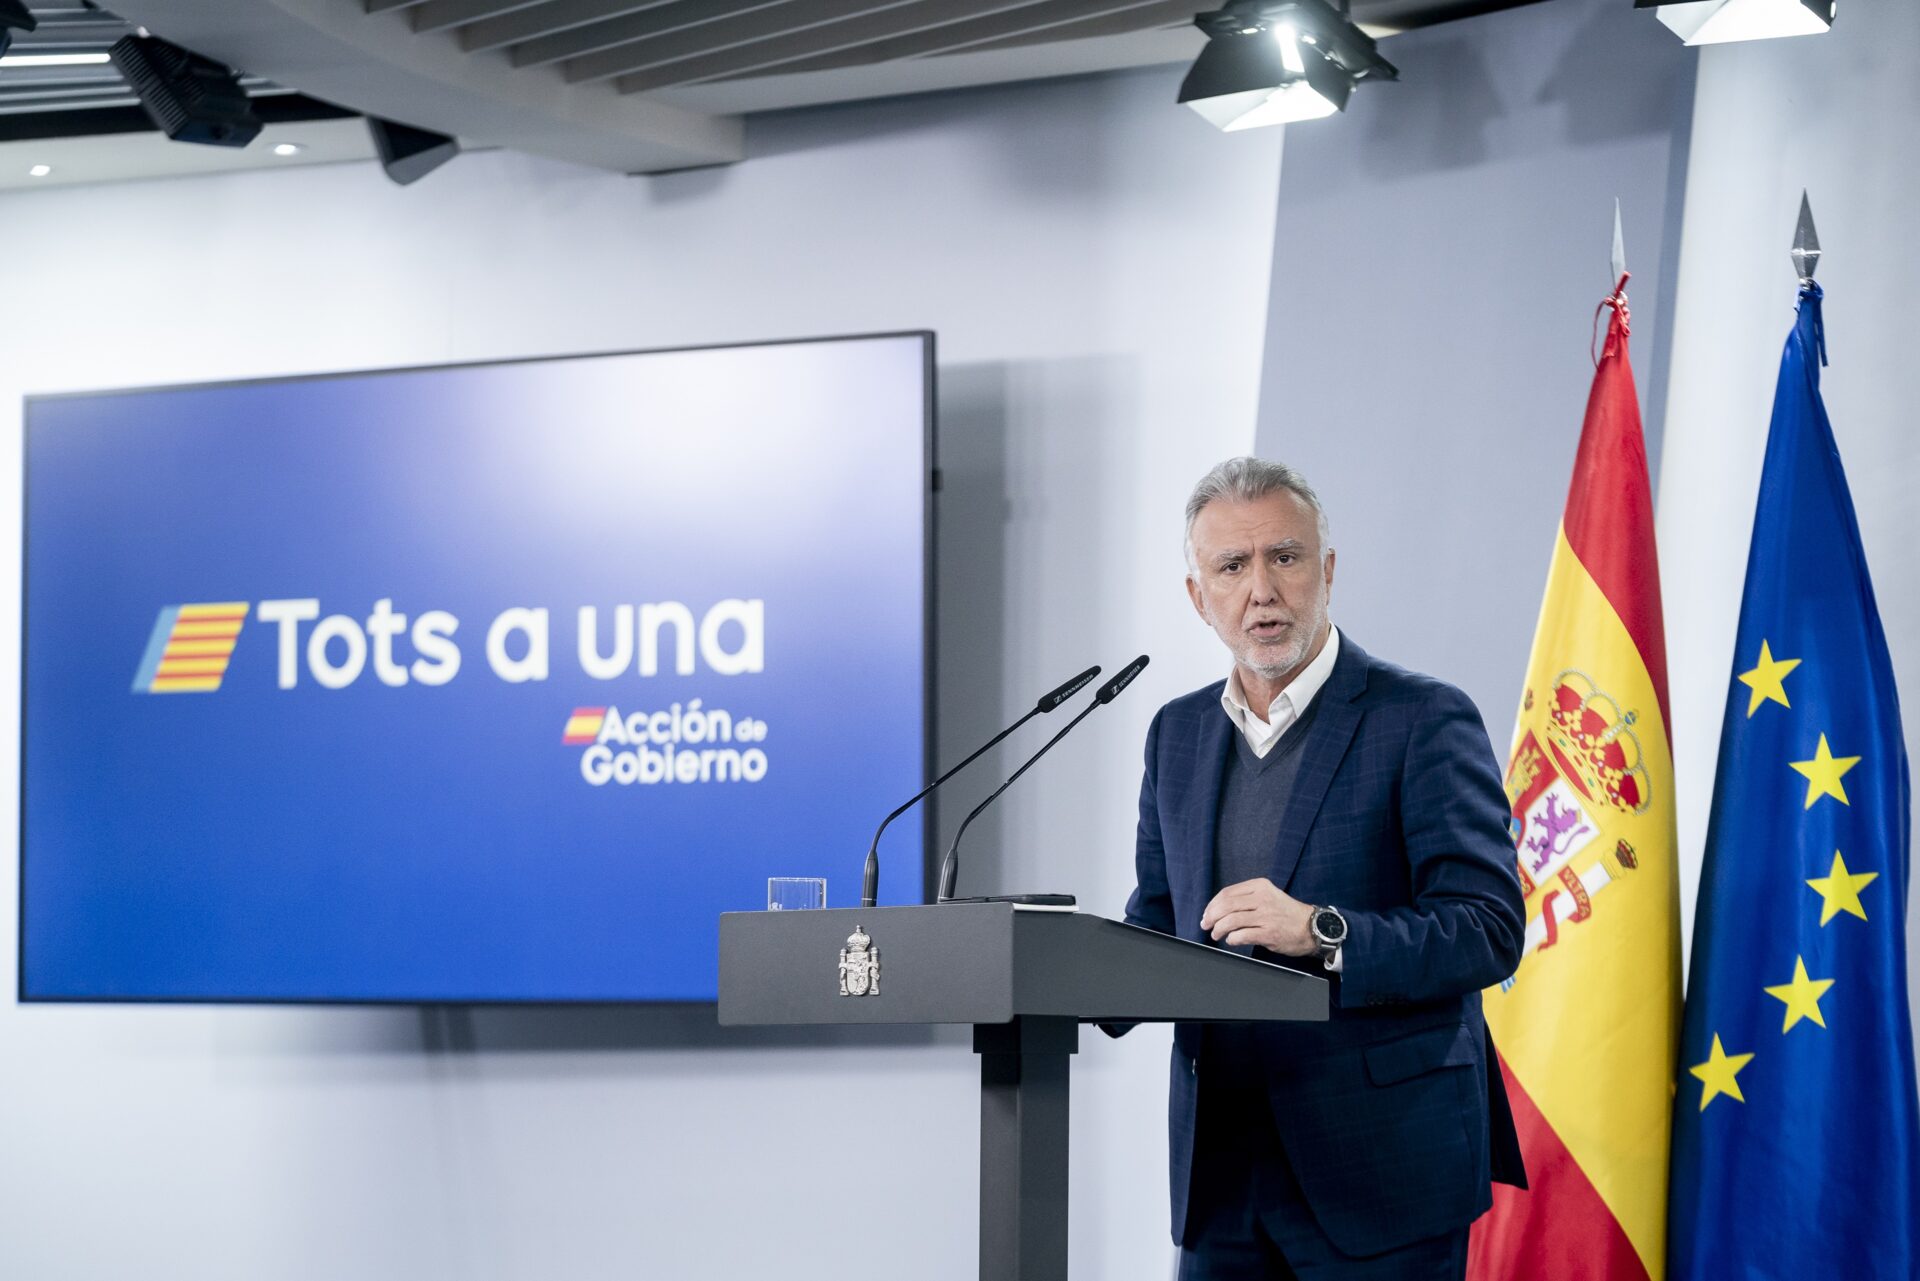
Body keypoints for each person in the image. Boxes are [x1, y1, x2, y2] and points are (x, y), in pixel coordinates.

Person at [1117, 457, 1527, 1279]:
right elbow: (1157, 919)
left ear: (1328, 570)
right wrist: (1053, 966)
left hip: (1383, 1170)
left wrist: (1320, 931)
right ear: (1198, 595)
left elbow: (1487, 928)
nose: (1261, 590)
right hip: (1222, 1174)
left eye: (1285, 557)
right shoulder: (1177, 735)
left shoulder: (1421, 717)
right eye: (1231, 567)